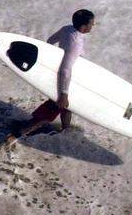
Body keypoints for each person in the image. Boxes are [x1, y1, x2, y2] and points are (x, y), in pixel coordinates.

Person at [10, 9, 95, 140]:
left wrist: (52, 64)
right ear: (84, 27)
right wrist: (64, 94)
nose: (93, 25)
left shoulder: (67, 29)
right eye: (91, 23)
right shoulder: (76, 43)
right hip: (64, 78)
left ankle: (66, 129)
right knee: (54, 108)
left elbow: (50, 41)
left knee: (68, 106)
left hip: (61, 74)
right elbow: (66, 69)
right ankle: (17, 134)